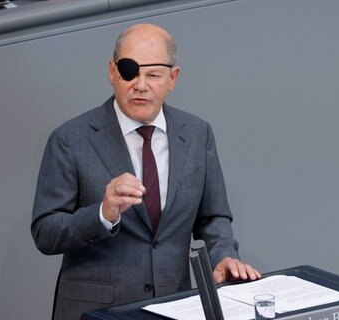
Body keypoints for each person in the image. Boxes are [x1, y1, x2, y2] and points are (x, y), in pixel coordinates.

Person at [31, 23, 261, 320]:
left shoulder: (197, 134)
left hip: (175, 306)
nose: (140, 84)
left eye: (153, 74)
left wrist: (224, 254)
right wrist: (103, 213)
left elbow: (213, 216)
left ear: (172, 78)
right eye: (130, 72)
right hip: (96, 311)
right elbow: (45, 232)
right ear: (112, 72)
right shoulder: (70, 139)